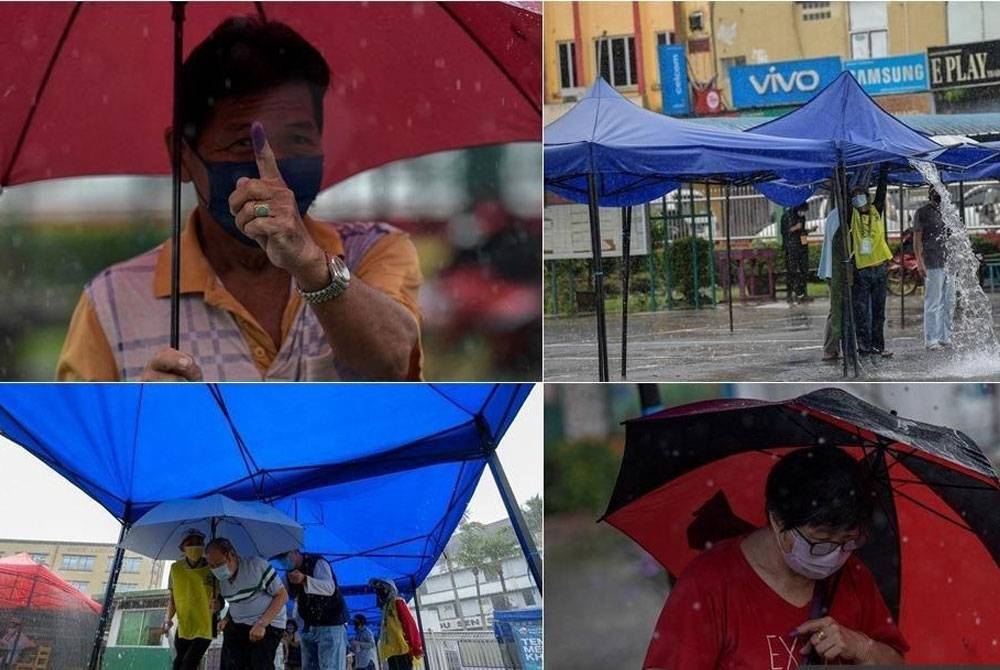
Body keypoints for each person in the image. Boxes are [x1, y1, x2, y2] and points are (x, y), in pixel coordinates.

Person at [57, 17, 422, 382]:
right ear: (182, 156)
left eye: (297, 140)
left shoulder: (375, 253)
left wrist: (310, 264)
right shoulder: (112, 302)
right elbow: (78, 436)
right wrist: (142, 418)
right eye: (245, 144)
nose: (273, 173)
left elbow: (392, 365)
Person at [644, 447, 908, 669]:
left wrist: (862, 648)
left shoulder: (853, 577)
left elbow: (897, 663)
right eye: (820, 542)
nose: (835, 555)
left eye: (849, 541)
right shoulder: (707, 584)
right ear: (776, 519)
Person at [206, 537, 288, 670]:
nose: (216, 569)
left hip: (269, 622)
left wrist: (262, 624)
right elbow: (235, 602)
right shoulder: (220, 580)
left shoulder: (256, 565)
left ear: (232, 555)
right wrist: (220, 610)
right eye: (211, 566)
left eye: (218, 564)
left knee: (258, 663)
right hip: (239, 622)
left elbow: (282, 595)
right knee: (230, 663)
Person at [276, 548, 349, 670]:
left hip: (331, 624)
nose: (284, 562)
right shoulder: (288, 576)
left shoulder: (317, 562)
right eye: (280, 560)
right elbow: (280, 594)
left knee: (330, 666)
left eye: (285, 557)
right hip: (308, 626)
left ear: (295, 552)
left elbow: (329, 588)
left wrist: (305, 580)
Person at [848, 184, 893, 358]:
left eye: (860, 196)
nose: (858, 200)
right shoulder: (852, 216)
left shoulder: (876, 211)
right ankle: (864, 347)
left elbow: (881, 193)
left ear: (867, 198)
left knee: (879, 312)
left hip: (880, 268)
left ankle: (878, 346)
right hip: (863, 271)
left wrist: (884, 170)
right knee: (862, 312)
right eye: (854, 197)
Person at [164, 529, 216, 670]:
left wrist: (218, 604)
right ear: (182, 547)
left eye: (199, 543)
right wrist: (168, 619)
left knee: (188, 664)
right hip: (184, 625)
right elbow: (172, 599)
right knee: (178, 663)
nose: (195, 546)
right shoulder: (175, 568)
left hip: (206, 626)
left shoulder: (212, 567)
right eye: (190, 543)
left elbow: (221, 599)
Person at [913, 186, 954, 350]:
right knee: (933, 302)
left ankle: (946, 337)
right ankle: (932, 339)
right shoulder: (922, 212)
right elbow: (917, 238)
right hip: (932, 262)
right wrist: (919, 260)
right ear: (930, 194)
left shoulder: (949, 211)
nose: (939, 195)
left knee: (949, 301)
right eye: (936, 191)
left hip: (950, 262)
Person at [371, 578, 423, 670]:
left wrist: (416, 646)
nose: (380, 592)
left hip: (401, 650)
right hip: (391, 653)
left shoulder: (397, 602)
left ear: (391, 589)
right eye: (377, 589)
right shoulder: (385, 609)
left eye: (382, 588)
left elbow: (409, 624)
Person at [780, 202, 811, 303]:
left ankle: (802, 293)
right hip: (791, 248)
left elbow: (801, 231)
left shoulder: (801, 218)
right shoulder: (787, 217)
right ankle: (790, 294)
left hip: (802, 246)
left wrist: (808, 231)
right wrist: (794, 228)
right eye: (802, 211)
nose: (803, 213)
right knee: (792, 271)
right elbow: (785, 232)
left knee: (804, 270)